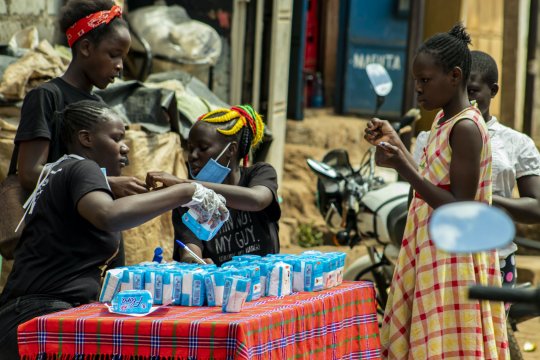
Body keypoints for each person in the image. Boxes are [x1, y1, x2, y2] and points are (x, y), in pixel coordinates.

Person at [0, 100, 228, 359]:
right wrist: (186, 191)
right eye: (117, 138)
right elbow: (109, 217)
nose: (125, 147)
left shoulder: (65, 173)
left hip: (38, 316)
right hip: (36, 321)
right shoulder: (81, 167)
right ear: (86, 138)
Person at [364, 24, 508, 358]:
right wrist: (396, 145)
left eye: (425, 80)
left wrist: (402, 167)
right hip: (430, 250)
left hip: (451, 261)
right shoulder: (443, 121)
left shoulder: (467, 128)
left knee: (446, 348)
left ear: (455, 76)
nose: (417, 89)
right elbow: (434, 180)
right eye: (416, 80)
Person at [14, 0, 148, 267]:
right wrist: (107, 183)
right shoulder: (46, 98)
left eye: (124, 57)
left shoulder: (100, 110)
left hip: (93, 243)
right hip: (57, 250)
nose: (120, 66)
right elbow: (29, 172)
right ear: (86, 47)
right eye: (114, 54)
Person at [413, 50, 540, 289]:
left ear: (493, 91)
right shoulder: (429, 138)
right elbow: (418, 201)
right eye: (459, 89)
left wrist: (484, 200)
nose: (466, 98)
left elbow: (536, 207)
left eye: (472, 91)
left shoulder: (515, 143)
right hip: (440, 260)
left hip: (495, 259)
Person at [146, 105, 281, 266]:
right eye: (190, 149)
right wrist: (194, 261)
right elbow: (190, 248)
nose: (193, 156)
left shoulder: (260, 173)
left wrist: (185, 184)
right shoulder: (188, 199)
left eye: (203, 148)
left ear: (231, 150)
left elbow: (256, 200)